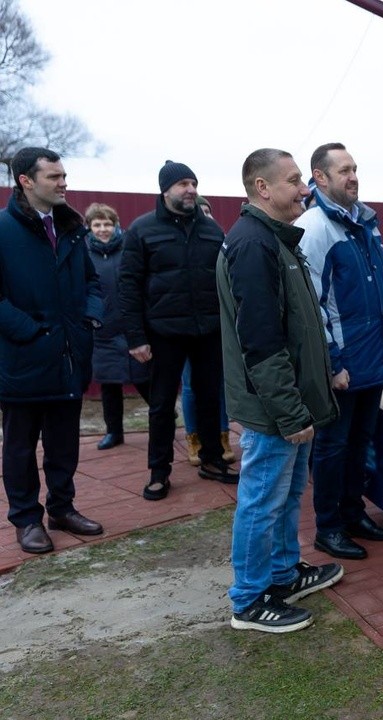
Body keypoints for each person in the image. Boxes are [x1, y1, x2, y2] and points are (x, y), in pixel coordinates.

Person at [218, 148, 343, 632]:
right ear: (262, 188)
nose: (304, 189)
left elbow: (298, 325)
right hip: (274, 406)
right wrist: (290, 412)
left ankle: (283, 574)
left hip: (292, 399)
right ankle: (248, 601)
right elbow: (262, 341)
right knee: (261, 500)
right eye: (293, 181)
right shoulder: (253, 245)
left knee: (288, 495)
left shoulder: (277, 240)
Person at [295, 143, 383, 560]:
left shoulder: (365, 224)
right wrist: (333, 363)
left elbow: (378, 296)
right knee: (333, 447)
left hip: (372, 358)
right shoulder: (315, 227)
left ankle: (354, 513)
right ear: (320, 177)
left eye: (355, 168)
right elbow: (310, 302)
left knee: (361, 442)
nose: (353, 176)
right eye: (343, 170)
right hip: (343, 365)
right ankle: (329, 527)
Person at [0, 147, 105, 553]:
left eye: (64, 175)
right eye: (54, 177)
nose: (64, 182)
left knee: (64, 442)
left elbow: (92, 282)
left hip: (69, 357)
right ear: (26, 181)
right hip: (24, 360)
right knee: (20, 447)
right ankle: (27, 520)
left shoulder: (72, 228)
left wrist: (89, 318)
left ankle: (62, 507)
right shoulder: (4, 230)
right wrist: (30, 332)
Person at [119, 160, 238, 501]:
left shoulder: (212, 230)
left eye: (194, 183)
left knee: (209, 396)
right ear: (165, 189)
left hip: (208, 330)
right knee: (160, 405)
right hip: (163, 333)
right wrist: (136, 337)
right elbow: (128, 286)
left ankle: (213, 459)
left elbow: (226, 281)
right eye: (183, 183)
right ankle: (159, 471)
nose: (190, 189)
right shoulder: (142, 230)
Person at [84, 203, 151, 450]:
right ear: (89, 227)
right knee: (109, 384)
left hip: (132, 325)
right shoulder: (84, 252)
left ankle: (160, 418)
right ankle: (114, 431)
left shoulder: (128, 249)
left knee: (144, 378)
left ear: (116, 225)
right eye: (97, 224)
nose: (103, 229)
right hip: (102, 329)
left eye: (108, 224)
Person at [179, 195, 234, 466]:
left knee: (220, 384)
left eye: (207, 212)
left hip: (218, 326)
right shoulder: (182, 245)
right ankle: (194, 437)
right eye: (199, 212)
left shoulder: (219, 244)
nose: (204, 216)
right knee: (190, 385)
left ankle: (223, 435)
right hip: (188, 327)